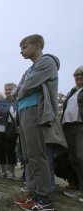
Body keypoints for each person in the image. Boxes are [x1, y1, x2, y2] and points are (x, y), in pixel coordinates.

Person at [13, 34, 59, 210]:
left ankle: (44, 198)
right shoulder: (29, 69)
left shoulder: (47, 62)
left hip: (36, 111)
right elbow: (19, 88)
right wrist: (22, 90)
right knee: (28, 155)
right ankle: (33, 193)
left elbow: (27, 86)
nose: (21, 51)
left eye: (24, 47)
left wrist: (22, 90)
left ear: (37, 45)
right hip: (24, 111)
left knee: (37, 155)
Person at [61, 65, 83, 203]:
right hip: (68, 127)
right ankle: (79, 188)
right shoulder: (73, 92)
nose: (79, 78)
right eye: (76, 76)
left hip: (80, 126)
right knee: (74, 159)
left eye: (81, 75)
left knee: (81, 157)